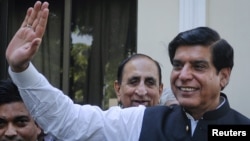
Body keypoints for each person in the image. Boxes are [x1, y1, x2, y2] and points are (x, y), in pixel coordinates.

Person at [6, 1, 250, 140]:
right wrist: (22, 68)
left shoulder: (239, 130)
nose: (184, 75)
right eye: (178, 65)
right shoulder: (141, 119)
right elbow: (69, 120)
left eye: (198, 66)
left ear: (223, 76)